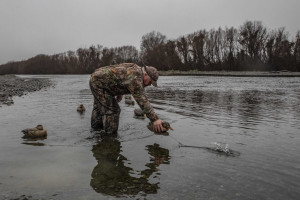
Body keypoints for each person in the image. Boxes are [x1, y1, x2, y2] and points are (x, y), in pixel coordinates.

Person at [89, 63, 166, 135]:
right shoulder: (136, 78)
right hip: (99, 84)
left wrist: (118, 92)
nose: (149, 85)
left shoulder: (136, 69)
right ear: (145, 74)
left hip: (97, 79)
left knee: (99, 107)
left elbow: (120, 77)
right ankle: (110, 138)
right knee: (113, 110)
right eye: (150, 82)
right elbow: (142, 100)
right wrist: (155, 119)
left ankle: (95, 132)